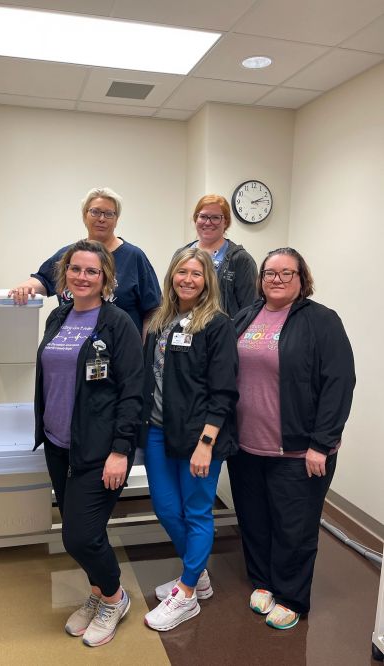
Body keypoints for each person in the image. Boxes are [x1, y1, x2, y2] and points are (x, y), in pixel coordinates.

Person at [229, 247, 356, 630]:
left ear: (302, 279)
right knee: (254, 519)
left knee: (294, 527)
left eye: (287, 273)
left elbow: (339, 383)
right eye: (270, 273)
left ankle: (291, 597)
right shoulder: (246, 316)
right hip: (246, 446)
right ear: (260, 279)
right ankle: (263, 581)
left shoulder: (321, 321)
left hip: (299, 448)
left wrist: (322, 443)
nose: (277, 279)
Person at [33, 239, 144, 647]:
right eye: (75, 269)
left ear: (105, 278)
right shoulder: (58, 316)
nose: (82, 276)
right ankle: (98, 592)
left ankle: (114, 598)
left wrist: (120, 450)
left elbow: (133, 391)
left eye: (91, 271)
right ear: (65, 274)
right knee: (82, 531)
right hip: (58, 444)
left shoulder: (118, 323)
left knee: (80, 536)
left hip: (99, 449)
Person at [139, 247, 239, 631]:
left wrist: (207, 442)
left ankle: (186, 593)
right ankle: (197, 576)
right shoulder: (160, 320)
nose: (188, 279)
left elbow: (224, 390)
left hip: (199, 437)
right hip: (157, 431)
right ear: (172, 276)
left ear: (207, 281)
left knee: (196, 511)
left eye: (197, 274)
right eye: (182, 272)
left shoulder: (216, 324)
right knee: (166, 509)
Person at [10, 187, 161, 335]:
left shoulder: (134, 257)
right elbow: (43, 280)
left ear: (116, 220)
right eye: (95, 212)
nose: (101, 219)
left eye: (109, 214)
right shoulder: (69, 254)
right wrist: (27, 287)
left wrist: (143, 348)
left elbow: (153, 310)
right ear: (84, 216)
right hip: (72, 342)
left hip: (120, 345)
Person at [179, 194, 257, 318]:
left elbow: (249, 310)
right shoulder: (181, 254)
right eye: (203, 216)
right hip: (183, 326)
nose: (208, 222)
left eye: (215, 218)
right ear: (196, 219)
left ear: (226, 222)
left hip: (223, 329)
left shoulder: (241, 260)